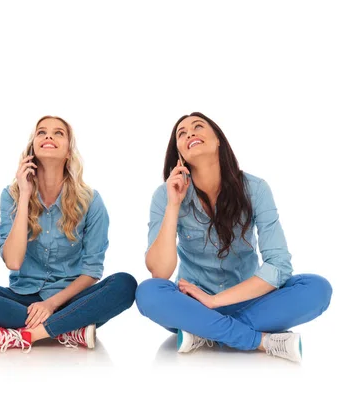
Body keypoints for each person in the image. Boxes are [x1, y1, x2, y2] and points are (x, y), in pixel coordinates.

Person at [136, 112, 332, 362]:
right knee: (148, 292)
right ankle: (259, 340)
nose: (190, 133)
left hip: (251, 301)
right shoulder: (164, 196)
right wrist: (174, 205)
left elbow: (279, 265)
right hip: (192, 305)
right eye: (181, 134)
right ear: (179, 154)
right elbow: (160, 272)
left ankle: (203, 333)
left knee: (317, 288)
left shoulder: (256, 188)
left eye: (198, 127)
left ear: (218, 139)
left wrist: (215, 301)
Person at [0, 115, 137, 352]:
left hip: (70, 301)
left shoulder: (91, 201)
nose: (48, 136)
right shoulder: (10, 196)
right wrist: (24, 195)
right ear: (32, 148)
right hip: (23, 300)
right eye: (41, 132)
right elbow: (12, 261)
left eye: (58, 133)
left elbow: (92, 271)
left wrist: (52, 304)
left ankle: (27, 336)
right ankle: (70, 330)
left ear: (68, 153)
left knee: (125, 284)